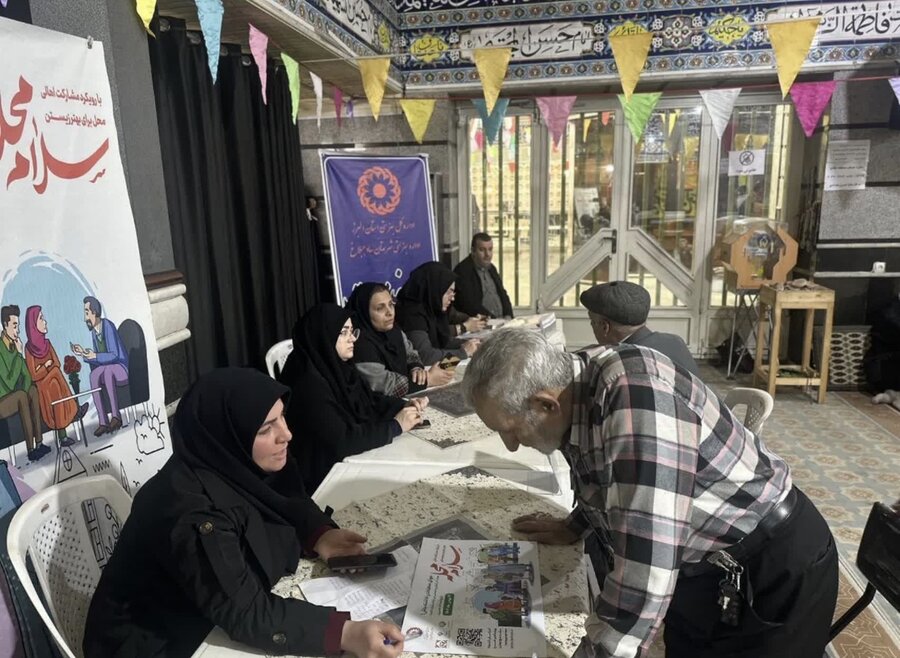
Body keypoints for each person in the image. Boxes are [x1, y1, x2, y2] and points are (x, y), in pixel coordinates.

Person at [461, 330, 838, 658]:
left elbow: (643, 575)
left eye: (510, 429)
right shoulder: (572, 381)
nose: (510, 445)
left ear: (547, 404)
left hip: (770, 568)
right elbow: (602, 469)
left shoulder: (637, 398)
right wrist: (576, 524)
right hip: (705, 570)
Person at [84, 367, 404, 658]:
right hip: (156, 642)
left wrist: (320, 535)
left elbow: (284, 497)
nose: (286, 434)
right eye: (265, 429)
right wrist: (345, 634)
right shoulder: (192, 511)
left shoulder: (230, 461)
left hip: (203, 613)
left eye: (282, 417)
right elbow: (246, 612)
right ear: (227, 434)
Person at [278, 304, 427, 492]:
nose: (353, 338)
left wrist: (403, 406)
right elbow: (342, 440)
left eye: (352, 331)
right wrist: (395, 426)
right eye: (344, 333)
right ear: (324, 336)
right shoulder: (306, 383)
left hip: (344, 459)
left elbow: (368, 400)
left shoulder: (336, 365)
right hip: (321, 476)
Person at [348, 283, 453, 397]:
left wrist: (416, 368)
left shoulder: (393, 330)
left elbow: (410, 353)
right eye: (380, 308)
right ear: (364, 312)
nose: (390, 312)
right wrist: (428, 380)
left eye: (391, 304)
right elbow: (382, 383)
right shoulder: (358, 342)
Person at [580, 281, 699, 376]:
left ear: (605, 327)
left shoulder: (623, 363)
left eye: (592, 321)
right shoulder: (675, 341)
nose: (591, 325)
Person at [23, 306, 88, 447]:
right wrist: (47, 365)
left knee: (55, 378)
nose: (45, 321)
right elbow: (34, 375)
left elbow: (57, 362)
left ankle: (64, 434)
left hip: (53, 381)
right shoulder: (29, 349)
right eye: (41, 318)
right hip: (42, 386)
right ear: (33, 325)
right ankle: (74, 411)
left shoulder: (47, 343)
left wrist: (43, 367)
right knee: (54, 377)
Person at [396, 262, 481, 366]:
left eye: (453, 292)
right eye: (449, 292)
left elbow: (443, 341)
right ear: (435, 289)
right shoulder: (411, 313)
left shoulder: (431, 307)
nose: (452, 298)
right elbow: (425, 357)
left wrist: (473, 343)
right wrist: (462, 353)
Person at [73, 296, 129, 436]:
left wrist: (95, 356)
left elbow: (114, 355)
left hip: (121, 368)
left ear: (95, 312)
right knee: (94, 375)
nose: (85, 318)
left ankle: (116, 417)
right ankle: (103, 422)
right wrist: (84, 354)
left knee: (107, 371)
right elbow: (99, 359)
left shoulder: (107, 326)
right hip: (107, 369)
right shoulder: (94, 332)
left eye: (87, 313)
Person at [0, 305, 49, 461]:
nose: (18, 330)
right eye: (14, 326)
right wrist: (19, 355)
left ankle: (39, 443)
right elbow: (9, 383)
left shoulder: (15, 347)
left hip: (15, 396)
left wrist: (29, 391)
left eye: (18, 326)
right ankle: (30, 449)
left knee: (32, 390)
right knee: (21, 395)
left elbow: (27, 377)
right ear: (5, 325)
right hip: (2, 400)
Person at [453, 233, 513, 319]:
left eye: (490, 249)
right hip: (481, 323)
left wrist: (508, 314)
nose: (487, 254)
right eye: (482, 250)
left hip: (502, 321)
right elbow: (469, 305)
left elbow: (503, 294)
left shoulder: (491, 268)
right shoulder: (463, 271)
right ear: (473, 251)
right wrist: (494, 320)